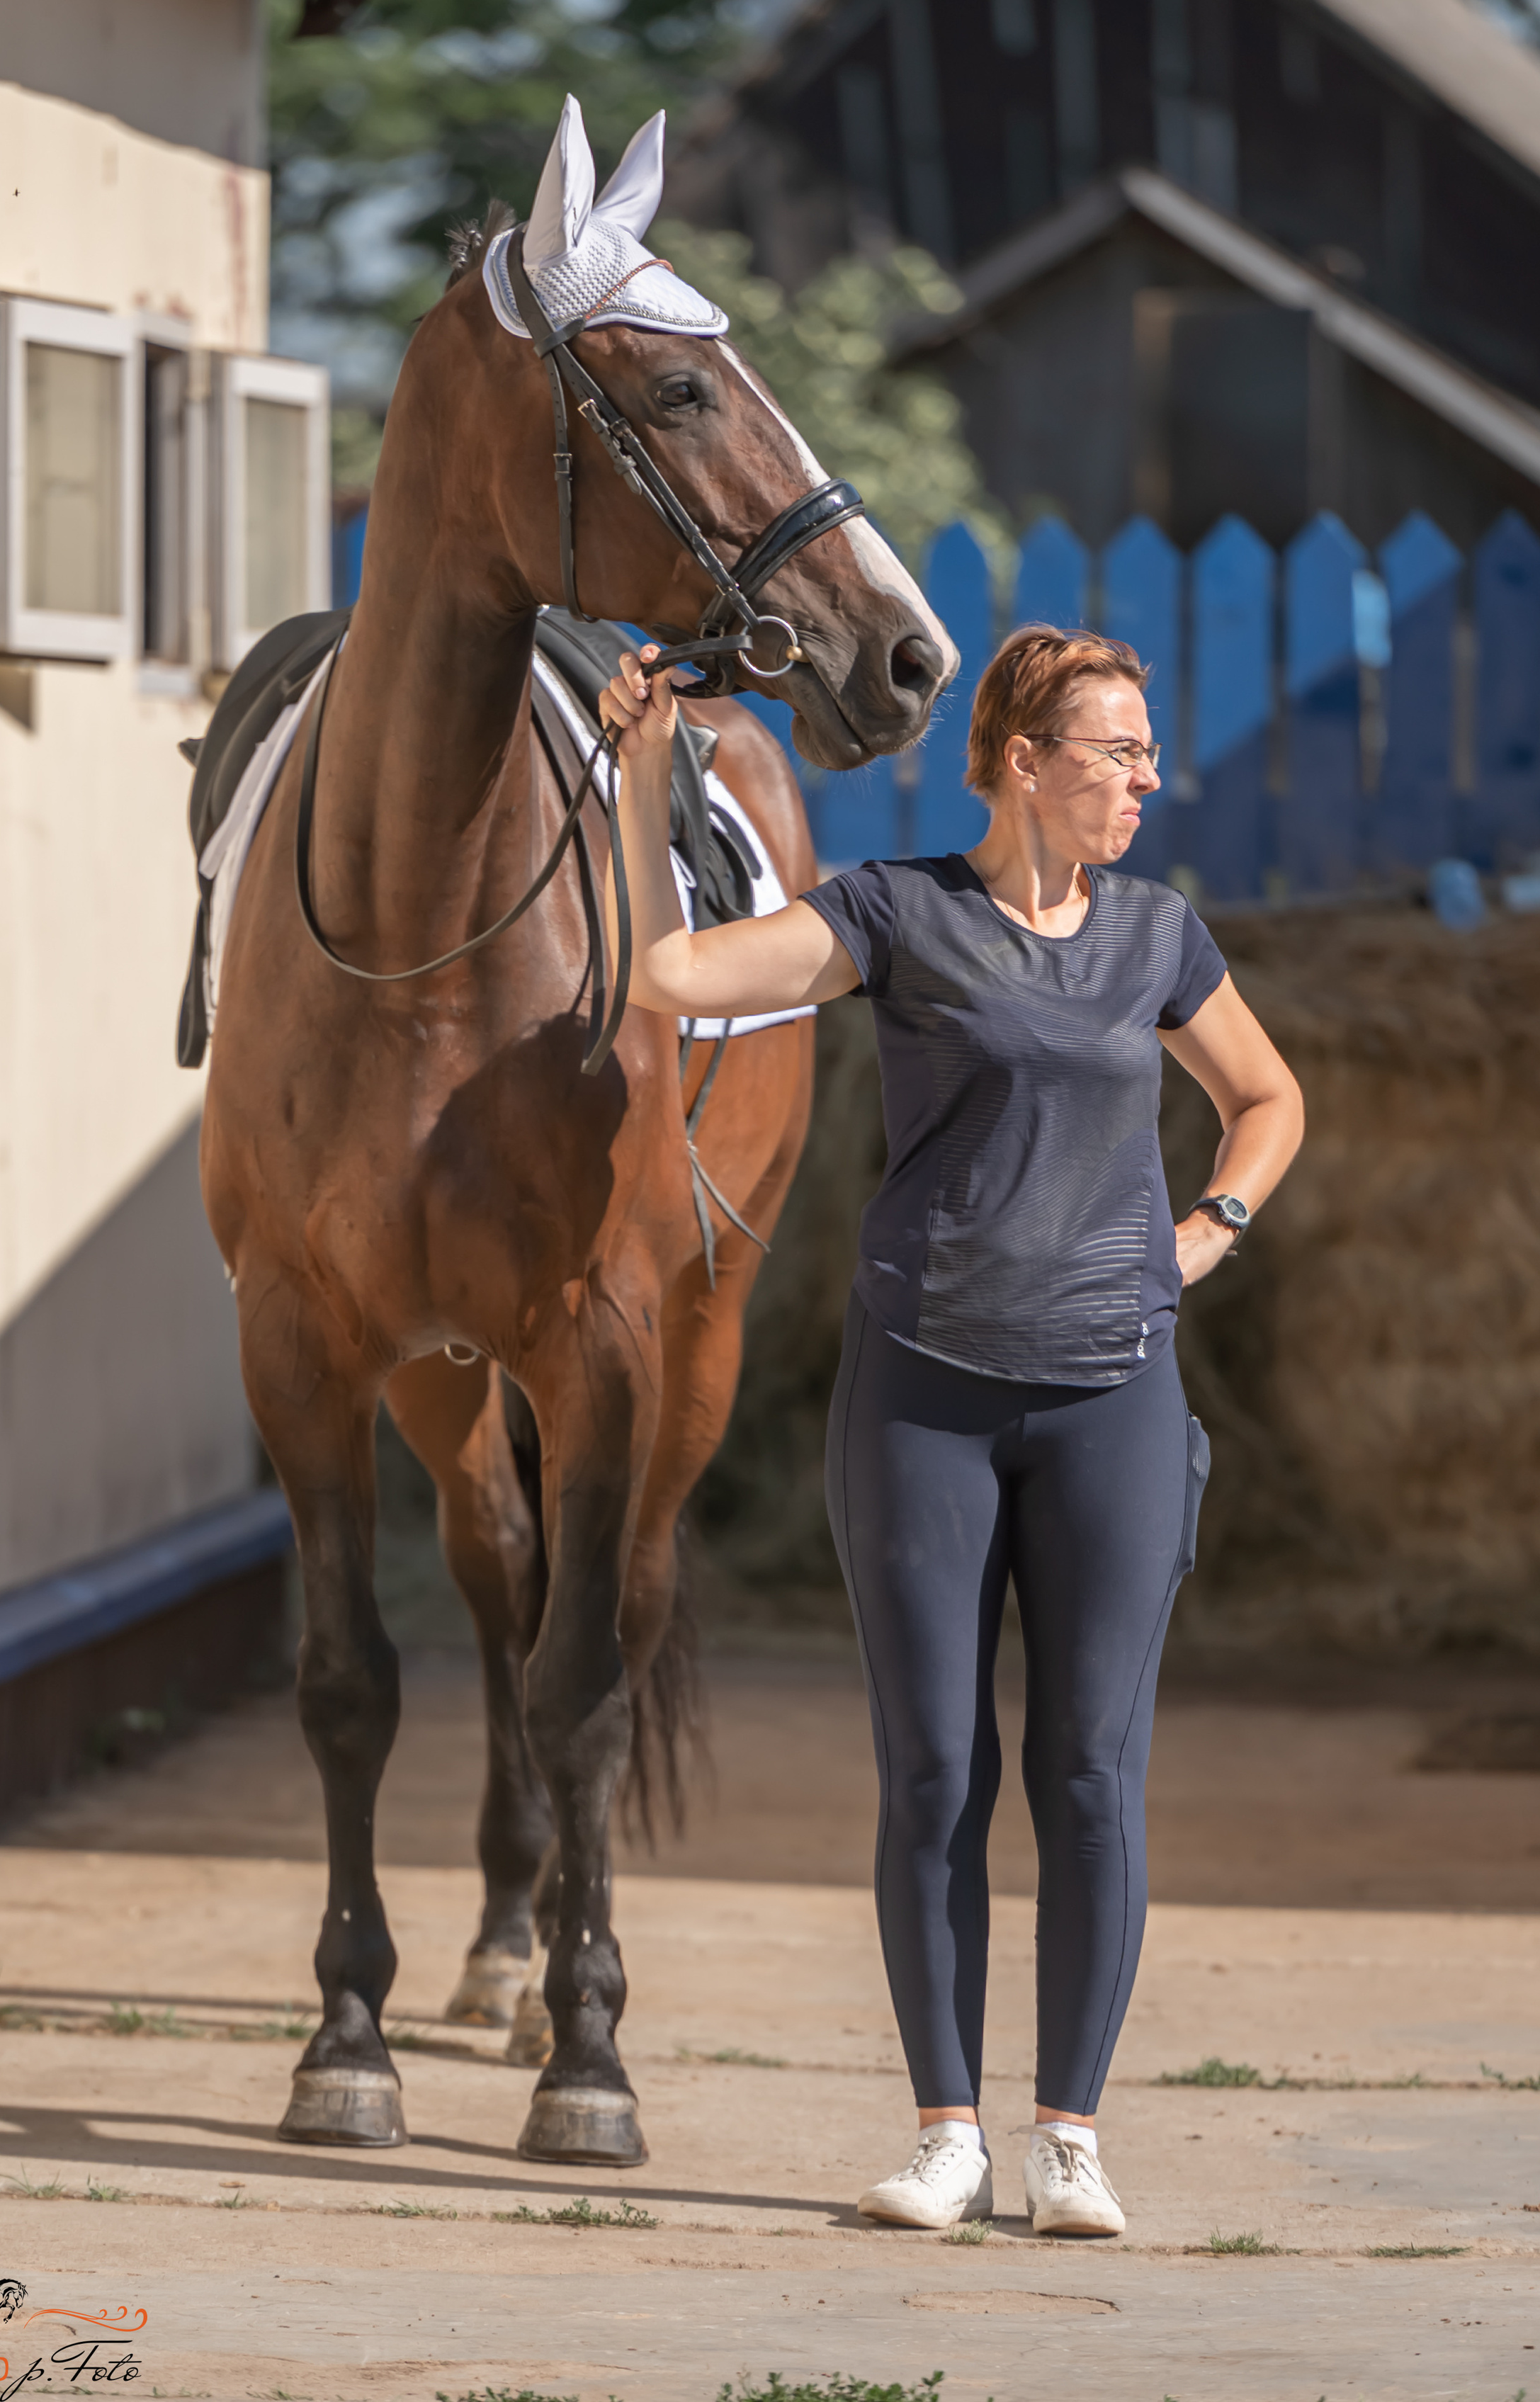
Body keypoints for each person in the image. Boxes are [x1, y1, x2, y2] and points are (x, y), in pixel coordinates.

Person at [599, 623, 1304, 2237]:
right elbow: (677, 977)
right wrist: (646, 786)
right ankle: (945, 2135)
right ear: (1018, 761)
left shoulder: (1156, 935)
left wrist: (1208, 1229)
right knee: (933, 1770)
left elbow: (1267, 1098)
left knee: (1089, 1771)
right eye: (1114, 749)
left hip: (1111, 1396)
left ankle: (1065, 2136)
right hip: (920, 1391)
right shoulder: (891, 912)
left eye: (1142, 749)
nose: (1143, 776)